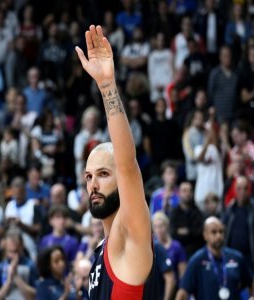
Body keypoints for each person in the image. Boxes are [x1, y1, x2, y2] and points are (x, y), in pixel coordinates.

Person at [75, 24, 159, 299]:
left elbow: (127, 165)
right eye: (89, 177)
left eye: (103, 174)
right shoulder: (101, 251)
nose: (93, 184)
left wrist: (107, 85)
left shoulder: (131, 231)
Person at [176, 217, 252, 300]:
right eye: (214, 232)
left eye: (221, 232)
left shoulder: (237, 258)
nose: (218, 236)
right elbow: (182, 293)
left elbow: (251, 283)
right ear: (205, 235)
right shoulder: (197, 260)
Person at [0, 230, 37, 300]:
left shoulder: (31, 266)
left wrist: (16, 276)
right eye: (10, 252)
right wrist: (9, 280)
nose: (13, 256)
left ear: (21, 246)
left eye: (16, 251)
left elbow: (34, 296)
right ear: (5, 248)